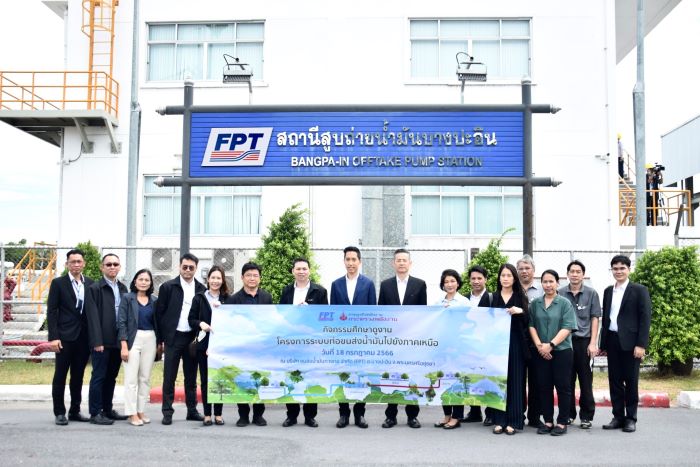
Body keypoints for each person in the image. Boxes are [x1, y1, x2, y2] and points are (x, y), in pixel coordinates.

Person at [600, 255, 652, 433]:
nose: (619, 271)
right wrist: (603, 344)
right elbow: (606, 318)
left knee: (630, 381)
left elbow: (645, 318)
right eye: (615, 268)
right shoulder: (608, 291)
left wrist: (641, 345)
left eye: (622, 268)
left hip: (631, 344)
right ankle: (618, 417)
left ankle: (631, 418)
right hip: (612, 341)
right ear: (612, 270)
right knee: (614, 381)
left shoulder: (639, 290)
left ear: (629, 269)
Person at [378, 248, 427, 429]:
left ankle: (412, 416)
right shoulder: (385, 285)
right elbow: (381, 312)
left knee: (412, 377)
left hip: (412, 341)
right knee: (392, 377)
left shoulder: (419, 284)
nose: (401, 263)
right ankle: (390, 416)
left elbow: (423, 314)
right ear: (393, 263)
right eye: (398, 260)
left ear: (410, 263)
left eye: (404, 260)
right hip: (391, 341)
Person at [156, 253, 206, 425]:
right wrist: (161, 339)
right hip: (173, 337)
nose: (187, 270)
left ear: (196, 269)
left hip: (192, 338)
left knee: (191, 377)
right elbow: (159, 314)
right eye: (185, 267)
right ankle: (167, 412)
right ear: (179, 267)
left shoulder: (201, 289)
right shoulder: (168, 287)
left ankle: (192, 410)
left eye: (191, 267)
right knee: (169, 377)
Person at [330, 246, 376, 429]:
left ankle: (360, 414)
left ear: (359, 261)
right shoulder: (336, 285)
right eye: (347, 259)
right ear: (344, 262)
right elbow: (333, 313)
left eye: (353, 259)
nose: (350, 263)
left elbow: (372, 312)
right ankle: (343, 414)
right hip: (342, 339)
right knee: (342, 375)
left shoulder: (368, 284)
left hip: (362, 340)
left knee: (361, 376)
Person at [279, 257, 329, 427]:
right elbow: (281, 314)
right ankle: (291, 415)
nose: (301, 272)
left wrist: (311, 311)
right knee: (292, 377)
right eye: (298, 269)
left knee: (311, 377)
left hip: (311, 342)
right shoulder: (286, 291)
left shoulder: (320, 291)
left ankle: (310, 416)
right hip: (291, 342)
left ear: (309, 271)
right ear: (293, 271)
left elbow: (325, 317)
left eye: (304, 269)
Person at [47, 249, 95, 426]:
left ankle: (75, 410)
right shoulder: (58, 283)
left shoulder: (90, 283)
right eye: (72, 262)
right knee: (60, 375)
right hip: (64, 338)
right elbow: (52, 311)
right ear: (67, 264)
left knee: (78, 376)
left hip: (83, 338)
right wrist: (54, 337)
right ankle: (59, 412)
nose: (76, 264)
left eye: (79, 261)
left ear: (84, 264)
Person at [528, 269, 578, 436]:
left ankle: (562, 422)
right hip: (540, 351)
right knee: (544, 387)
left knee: (563, 387)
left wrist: (550, 345)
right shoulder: (535, 304)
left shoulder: (564, 303)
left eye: (551, 281)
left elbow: (567, 327)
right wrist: (540, 346)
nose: (548, 285)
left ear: (557, 283)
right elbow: (531, 325)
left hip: (562, 351)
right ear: (541, 283)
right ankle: (548, 421)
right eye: (545, 282)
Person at [226, 262, 273, 427]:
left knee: (260, 379)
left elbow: (271, 321)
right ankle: (243, 415)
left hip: (261, 347)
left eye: (255, 275)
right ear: (242, 277)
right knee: (243, 379)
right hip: (242, 348)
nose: (252, 278)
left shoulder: (267, 297)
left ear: (260, 278)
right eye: (248, 275)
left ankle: (258, 415)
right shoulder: (233, 299)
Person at [84, 253, 128, 425]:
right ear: (102, 267)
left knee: (111, 377)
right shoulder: (95, 289)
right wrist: (97, 341)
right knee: (99, 376)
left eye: (115, 264)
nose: (112, 267)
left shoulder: (123, 288)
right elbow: (92, 317)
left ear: (119, 267)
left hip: (118, 340)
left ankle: (107, 409)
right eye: (108, 264)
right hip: (101, 342)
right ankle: (95, 412)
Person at [558, 260, 602, 429]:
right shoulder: (560, 293)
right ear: (567, 274)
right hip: (565, 342)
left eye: (578, 272)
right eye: (572, 271)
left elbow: (595, 318)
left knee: (585, 381)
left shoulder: (591, 293)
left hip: (584, 343)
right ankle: (569, 415)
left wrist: (593, 343)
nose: (575, 274)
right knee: (566, 381)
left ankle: (586, 416)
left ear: (583, 274)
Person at [490, 263, 529, 436]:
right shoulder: (492, 297)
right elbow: (479, 317)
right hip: (496, 346)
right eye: (503, 275)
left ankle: (514, 421)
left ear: (514, 278)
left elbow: (529, 320)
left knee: (515, 381)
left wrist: (521, 311)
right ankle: (499, 420)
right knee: (498, 381)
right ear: (499, 278)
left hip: (516, 344)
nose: (505, 278)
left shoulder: (520, 297)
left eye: (509, 275)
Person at [118, 268, 160, 426]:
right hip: (132, 340)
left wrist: (160, 343)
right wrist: (123, 345)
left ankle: (141, 410)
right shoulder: (127, 298)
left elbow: (158, 323)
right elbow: (121, 322)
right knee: (131, 379)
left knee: (145, 378)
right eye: (141, 279)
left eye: (147, 280)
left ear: (150, 283)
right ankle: (132, 413)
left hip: (150, 339)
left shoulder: (154, 300)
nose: (143, 282)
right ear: (135, 281)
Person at [189, 265, 229, 427]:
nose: (215, 281)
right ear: (208, 279)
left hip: (221, 346)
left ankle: (218, 414)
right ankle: (207, 414)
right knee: (206, 380)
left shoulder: (227, 299)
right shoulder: (199, 298)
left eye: (219, 278)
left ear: (223, 280)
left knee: (219, 380)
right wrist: (201, 324)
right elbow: (191, 320)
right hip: (203, 345)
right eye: (213, 277)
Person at [433, 269, 469, 430]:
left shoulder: (464, 302)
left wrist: (453, 313)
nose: (449, 284)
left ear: (458, 283)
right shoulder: (437, 302)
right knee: (442, 380)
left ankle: (456, 416)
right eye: (446, 282)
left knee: (456, 380)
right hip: (442, 346)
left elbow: (468, 323)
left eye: (452, 281)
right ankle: (447, 415)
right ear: (442, 284)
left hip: (458, 347)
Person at [462, 265, 494, 424]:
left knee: (487, 378)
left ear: (485, 279)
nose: (476, 281)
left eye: (479, 278)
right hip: (467, 344)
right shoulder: (463, 299)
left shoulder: (493, 298)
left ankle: (490, 413)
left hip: (487, 344)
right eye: (473, 278)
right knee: (470, 377)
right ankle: (474, 412)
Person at [516, 254, 543, 428]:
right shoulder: (512, 289)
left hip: (536, 341)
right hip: (518, 341)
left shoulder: (542, 290)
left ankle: (534, 417)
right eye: (521, 268)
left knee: (536, 381)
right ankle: (518, 414)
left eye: (527, 268)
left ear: (533, 270)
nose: (524, 271)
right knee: (518, 381)